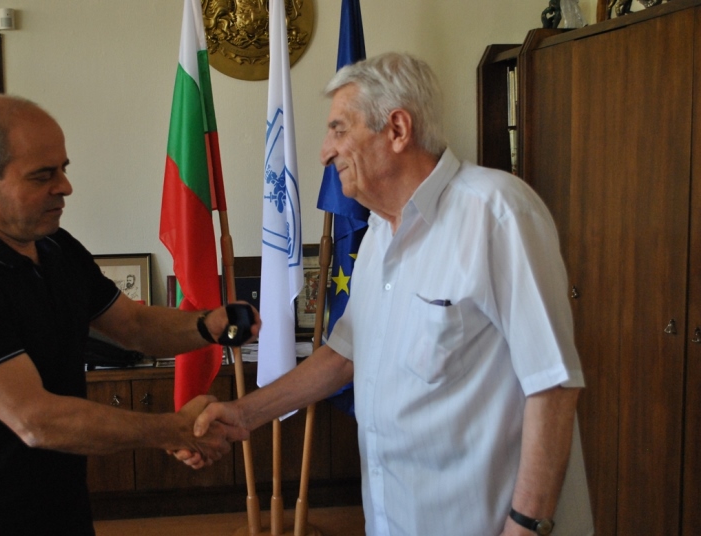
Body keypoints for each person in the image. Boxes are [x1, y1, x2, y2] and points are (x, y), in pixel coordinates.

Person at [186, 53, 593, 535]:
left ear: (397, 129)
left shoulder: (498, 213)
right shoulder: (380, 232)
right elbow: (343, 356)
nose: (324, 152)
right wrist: (242, 414)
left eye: (339, 130)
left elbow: (552, 385)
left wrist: (525, 525)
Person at [0, 94, 256, 536]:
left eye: (63, 168)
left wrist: (209, 325)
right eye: (43, 175)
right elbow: (38, 420)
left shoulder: (56, 249)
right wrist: (173, 430)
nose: (65, 186)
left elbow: (133, 326)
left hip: (63, 512)